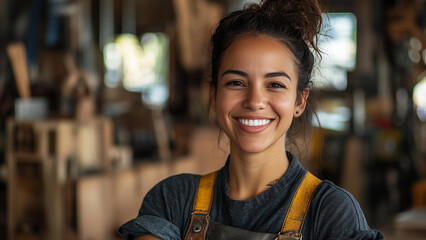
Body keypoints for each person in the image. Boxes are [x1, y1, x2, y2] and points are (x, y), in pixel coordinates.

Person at [119, 0, 385, 239]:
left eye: (275, 85)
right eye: (236, 82)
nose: (255, 101)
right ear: (214, 94)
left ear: (299, 101)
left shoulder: (330, 212)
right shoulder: (173, 200)